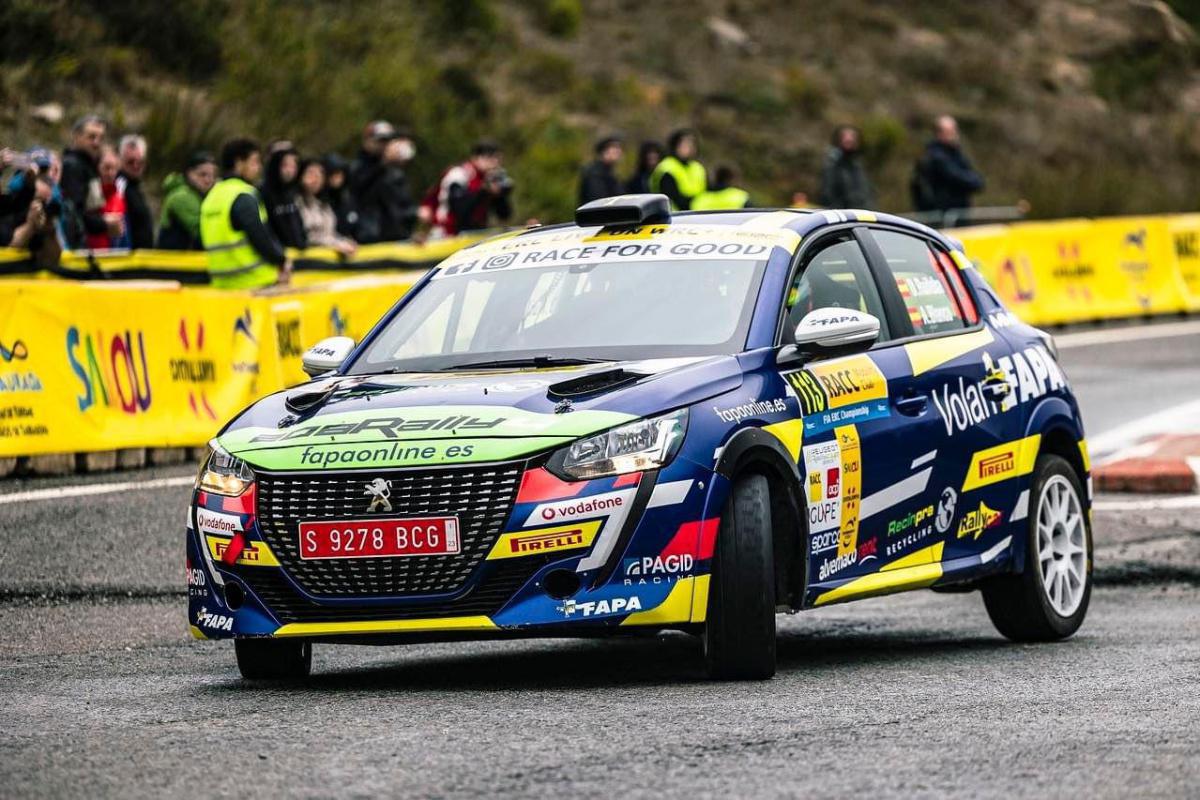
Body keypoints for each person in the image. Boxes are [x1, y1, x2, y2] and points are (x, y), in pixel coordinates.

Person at [200, 138, 291, 289]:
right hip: (256, 282)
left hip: (221, 284)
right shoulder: (244, 195)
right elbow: (260, 237)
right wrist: (281, 260)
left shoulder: (211, 196)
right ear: (239, 163)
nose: (258, 167)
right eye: (254, 162)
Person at [423, 140, 513, 236]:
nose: (495, 164)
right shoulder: (459, 174)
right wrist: (483, 191)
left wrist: (500, 195)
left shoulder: (490, 177)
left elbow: (504, 215)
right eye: (491, 159)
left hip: (475, 233)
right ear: (477, 157)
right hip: (448, 233)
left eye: (498, 160)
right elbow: (459, 210)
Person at [911, 115, 985, 219]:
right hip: (942, 217)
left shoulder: (956, 154)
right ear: (939, 133)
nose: (954, 134)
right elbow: (957, 177)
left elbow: (977, 181)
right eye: (950, 131)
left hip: (957, 215)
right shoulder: (935, 157)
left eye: (954, 130)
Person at [60, 114, 116, 248]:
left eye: (100, 138)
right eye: (91, 137)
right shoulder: (73, 166)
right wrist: (104, 224)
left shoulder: (89, 167)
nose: (97, 143)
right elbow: (75, 213)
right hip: (73, 244)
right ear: (76, 137)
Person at [352, 129, 417, 243]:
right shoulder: (358, 168)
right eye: (380, 141)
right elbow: (363, 188)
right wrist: (385, 162)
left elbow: (402, 203)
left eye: (387, 141)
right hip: (370, 236)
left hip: (396, 236)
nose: (383, 146)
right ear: (367, 142)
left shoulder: (394, 172)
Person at [157, 151, 216, 250]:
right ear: (189, 174)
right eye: (202, 174)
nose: (208, 180)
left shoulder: (198, 195)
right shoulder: (182, 197)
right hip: (174, 261)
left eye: (212, 176)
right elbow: (202, 233)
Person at [297, 158, 356, 255]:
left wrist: (343, 240)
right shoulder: (295, 203)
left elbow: (329, 232)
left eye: (320, 174)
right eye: (311, 173)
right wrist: (336, 244)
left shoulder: (324, 204)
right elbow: (308, 236)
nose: (316, 178)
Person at [3, 174, 63, 268]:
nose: (40, 205)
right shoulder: (11, 216)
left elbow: (54, 259)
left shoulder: (51, 219)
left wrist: (48, 229)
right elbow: (10, 251)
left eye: (45, 201)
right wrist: (30, 225)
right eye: (36, 199)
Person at [260, 141, 306, 249]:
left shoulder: (293, 192)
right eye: (285, 165)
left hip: (297, 255)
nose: (290, 171)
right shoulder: (263, 192)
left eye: (294, 166)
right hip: (278, 256)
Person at [649, 128, 707, 210]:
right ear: (675, 146)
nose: (689, 148)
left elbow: (707, 191)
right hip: (673, 217)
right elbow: (673, 198)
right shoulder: (667, 167)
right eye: (685, 145)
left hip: (697, 215)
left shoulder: (697, 168)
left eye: (692, 145)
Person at [818, 125, 873, 209]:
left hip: (861, 214)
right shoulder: (832, 165)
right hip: (843, 216)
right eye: (846, 138)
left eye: (852, 137)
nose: (849, 140)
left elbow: (866, 195)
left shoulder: (858, 166)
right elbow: (828, 195)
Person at [85, 146, 126, 249]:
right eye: (106, 168)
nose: (110, 173)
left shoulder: (119, 197)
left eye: (114, 168)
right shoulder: (89, 192)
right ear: (97, 168)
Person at [117, 134, 153, 248]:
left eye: (140, 162)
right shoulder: (119, 186)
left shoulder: (135, 187)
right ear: (121, 160)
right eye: (130, 162)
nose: (136, 166)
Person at [577, 134, 623, 206]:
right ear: (604, 151)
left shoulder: (612, 174)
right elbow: (598, 201)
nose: (618, 151)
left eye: (619, 148)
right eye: (614, 147)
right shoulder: (594, 173)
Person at [321, 153, 358, 240]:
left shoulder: (348, 198)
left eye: (340, 173)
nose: (337, 177)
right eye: (333, 173)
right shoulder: (319, 201)